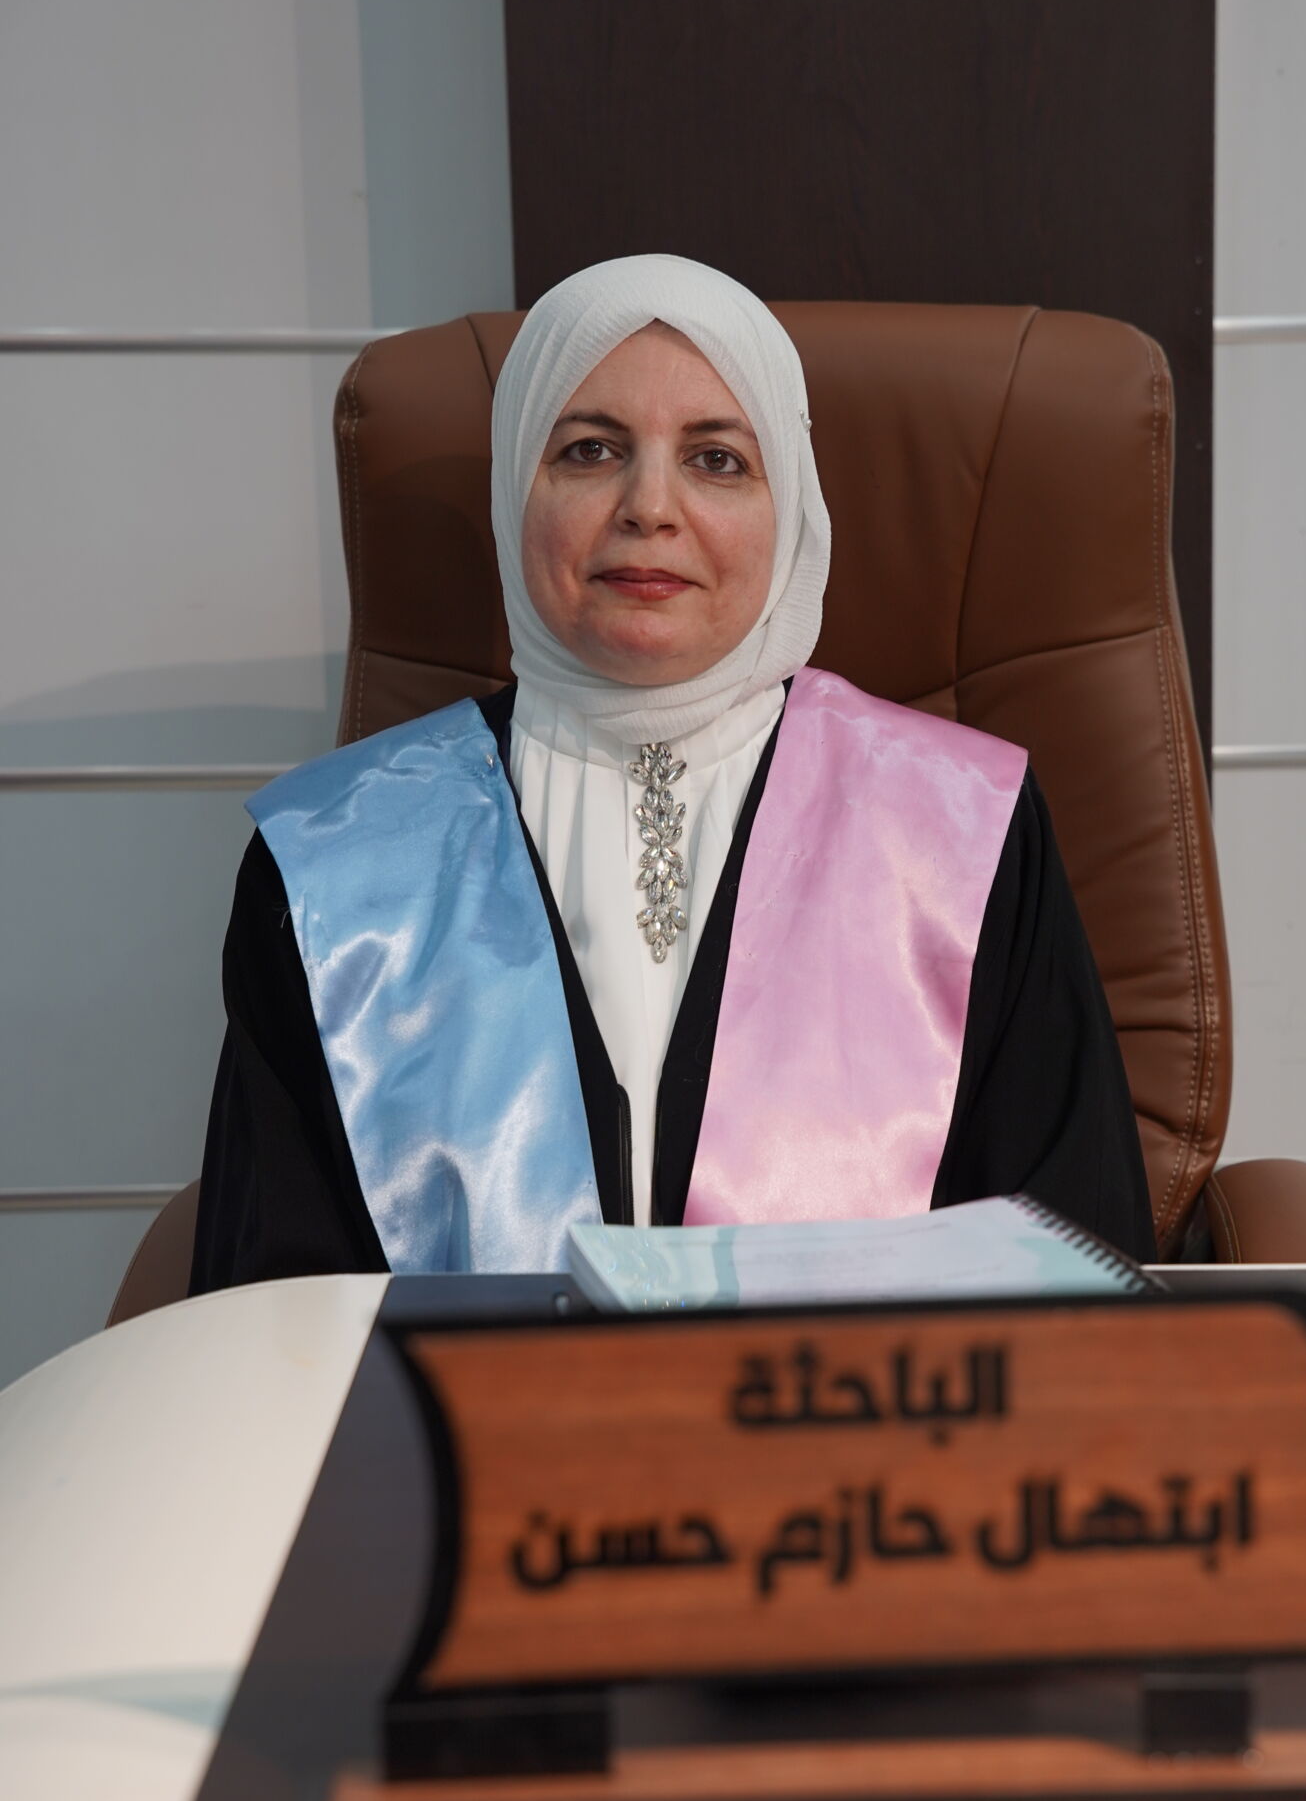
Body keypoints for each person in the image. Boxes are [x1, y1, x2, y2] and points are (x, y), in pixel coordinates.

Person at [190, 255, 1153, 1288]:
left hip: (864, 1398)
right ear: (516, 491)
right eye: (590, 450)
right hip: (452, 1399)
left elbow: (1073, 1274)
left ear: (791, 507)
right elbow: (275, 1312)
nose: (650, 506)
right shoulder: (334, 867)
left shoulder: (961, 831)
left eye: (717, 460)